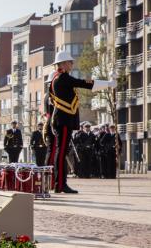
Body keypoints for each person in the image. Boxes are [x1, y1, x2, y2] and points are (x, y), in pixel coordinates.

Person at [48, 51, 115, 193]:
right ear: (64, 64)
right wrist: (108, 83)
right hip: (64, 120)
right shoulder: (63, 78)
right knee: (61, 152)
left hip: (62, 119)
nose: (72, 64)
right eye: (70, 62)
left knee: (62, 151)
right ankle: (60, 184)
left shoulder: (58, 78)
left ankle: (59, 184)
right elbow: (84, 83)